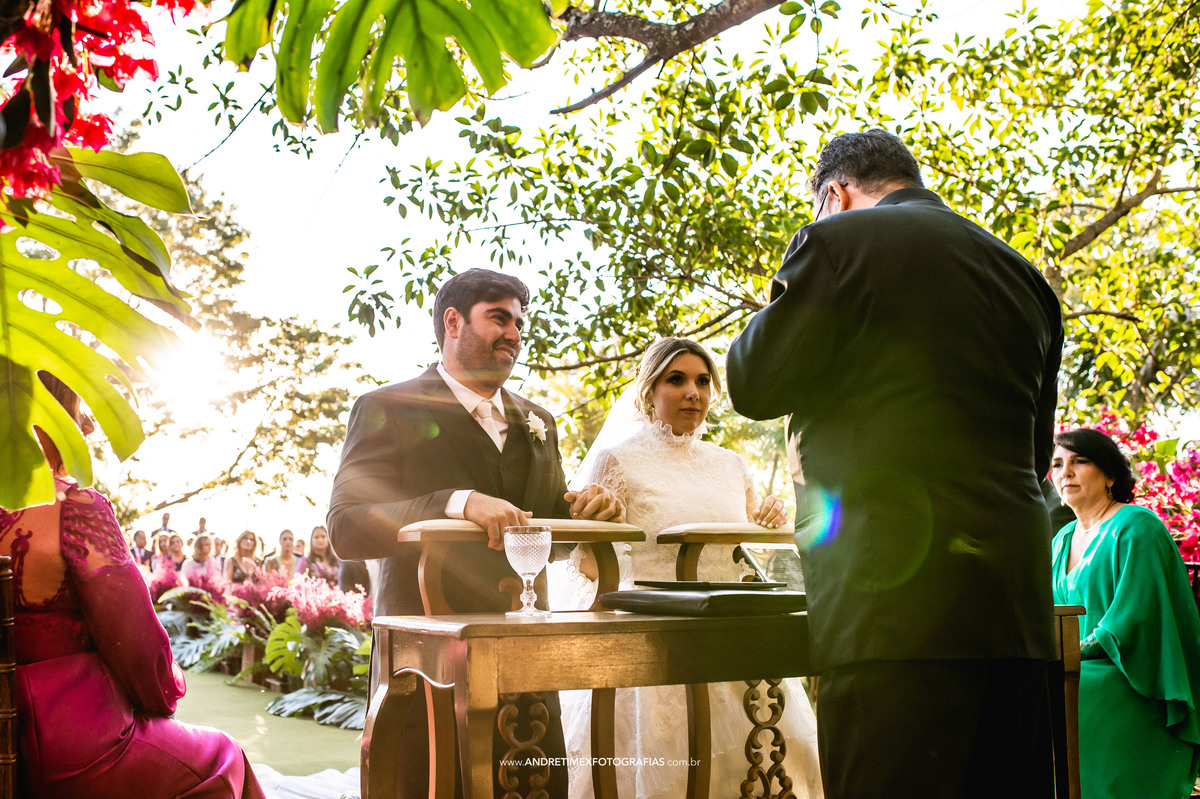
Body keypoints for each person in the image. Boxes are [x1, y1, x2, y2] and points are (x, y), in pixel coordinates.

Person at [727, 130, 1064, 798]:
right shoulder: (1024, 277)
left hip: (890, 610)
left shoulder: (836, 241)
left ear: (837, 193)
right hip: (1015, 616)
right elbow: (1034, 454)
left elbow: (752, 381)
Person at [328, 267, 624, 798]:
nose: (513, 332)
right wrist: (456, 503)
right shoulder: (386, 408)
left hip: (525, 662)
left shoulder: (539, 421)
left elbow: (543, 536)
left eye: (518, 321)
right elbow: (346, 526)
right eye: (498, 318)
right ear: (453, 322)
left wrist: (585, 515)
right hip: (427, 661)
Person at [560, 338, 822, 799]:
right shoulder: (617, 459)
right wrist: (600, 525)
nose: (692, 392)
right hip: (657, 641)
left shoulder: (731, 465)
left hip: (734, 636)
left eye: (703, 381)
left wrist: (769, 518)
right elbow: (585, 560)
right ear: (649, 391)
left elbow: (742, 550)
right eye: (676, 380)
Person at [0, 371, 265, 798]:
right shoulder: (73, 506)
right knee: (223, 757)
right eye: (82, 412)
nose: (89, 427)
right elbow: (135, 642)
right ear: (55, 417)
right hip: (67, 741)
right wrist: (164, 694)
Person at [1050, 428, 1200, 798]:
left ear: (1111, 475)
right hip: (1068, 665)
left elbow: (1135, 617)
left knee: (1063, 692)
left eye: (1079, 461)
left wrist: (1073, 652)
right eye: (1057, 464)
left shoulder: (1136, 527)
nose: (1065, 472)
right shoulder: (1061, 539)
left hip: (1129, 673)